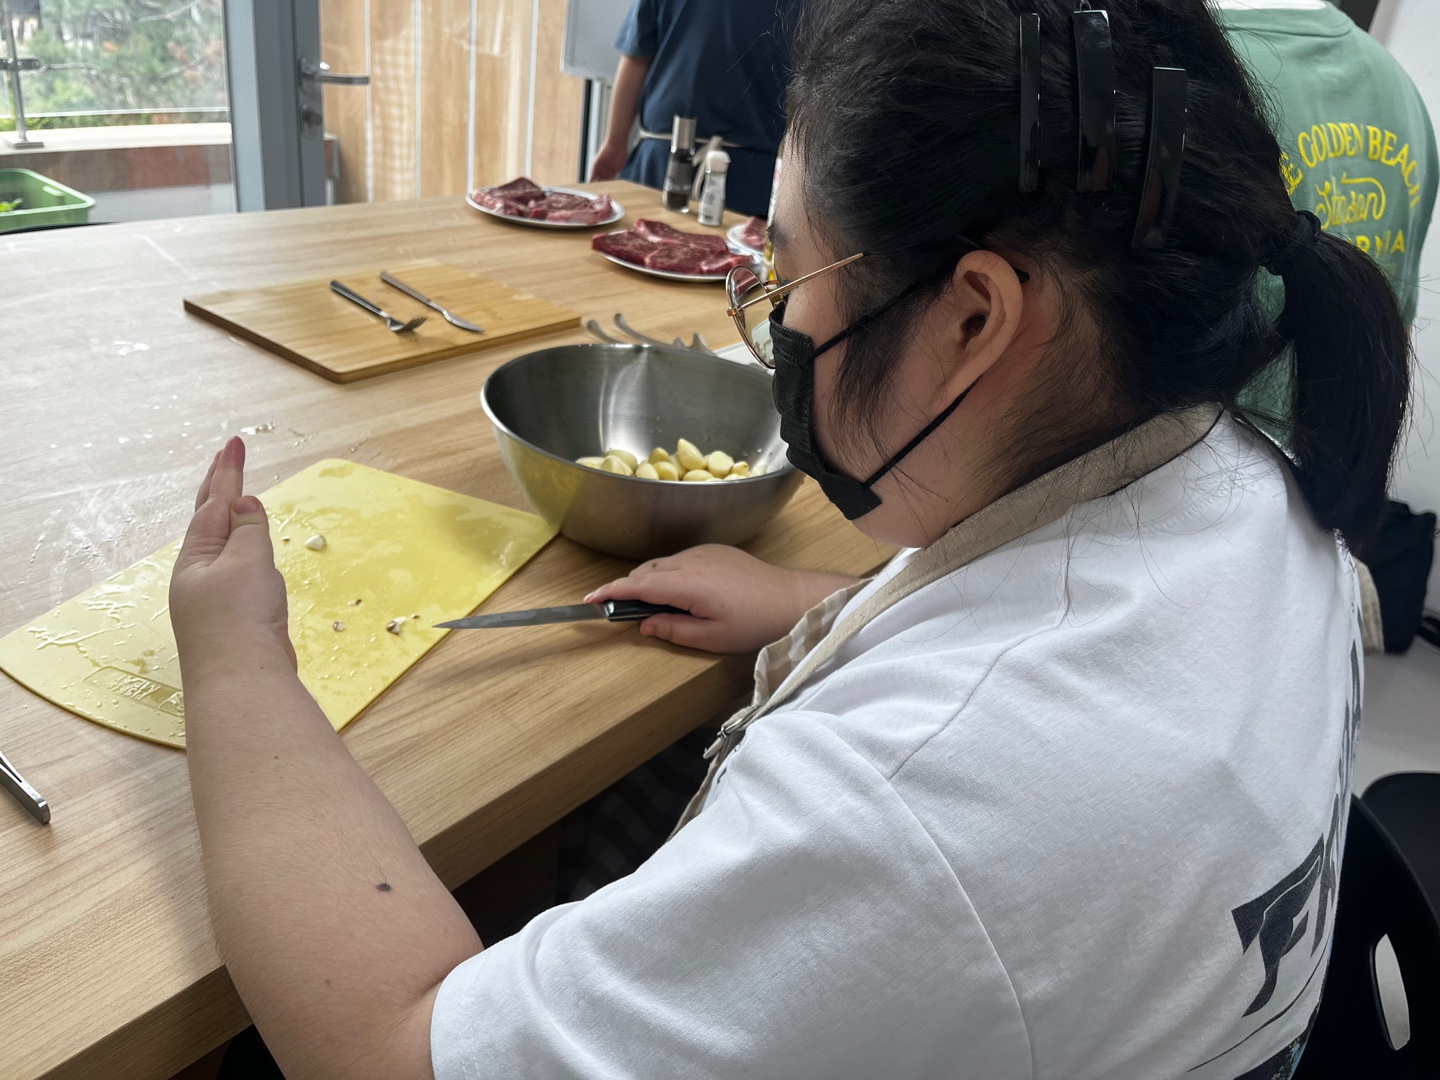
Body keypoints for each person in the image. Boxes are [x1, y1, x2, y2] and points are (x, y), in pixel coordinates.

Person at [171, 1, 1409, 1077]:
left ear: (973, 321)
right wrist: (818, 606)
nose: (775, 315)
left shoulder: (919, 810)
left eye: (790, 267)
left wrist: (235, 664)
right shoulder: (1259, 487)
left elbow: (392, 1050)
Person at [1216, 0, 1437, 430]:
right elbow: (1397, 330)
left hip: (1209, 463)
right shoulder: (1399, 88)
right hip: (1326, 462)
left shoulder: (1174, 70)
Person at [588, 0, 793, 217]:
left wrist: (615, 143)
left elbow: (636, 58)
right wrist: (614, 144)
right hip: (744, 180)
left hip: (669, 169)